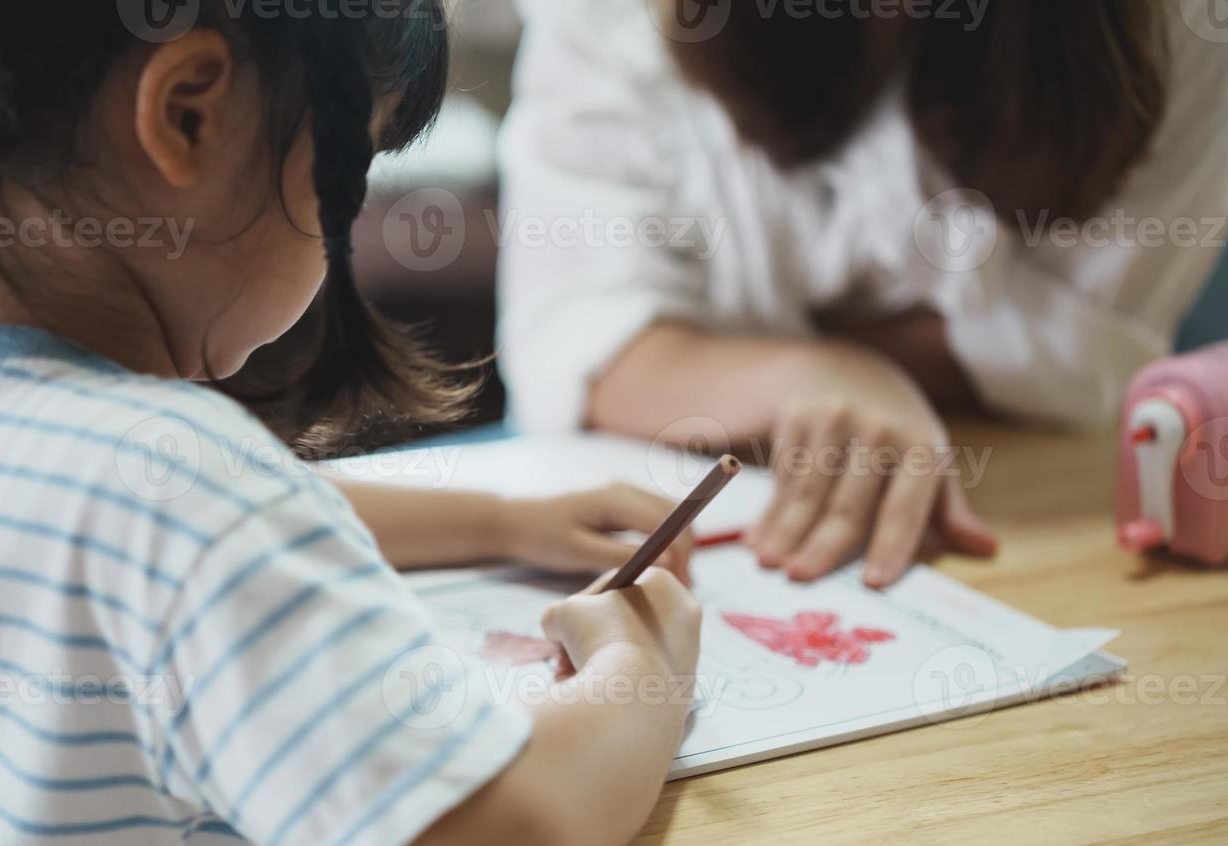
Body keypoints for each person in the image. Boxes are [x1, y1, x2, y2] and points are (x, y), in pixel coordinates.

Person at [0, 3, 701, 846]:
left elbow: (185, 540)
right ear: (188, 114)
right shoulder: (182, 486)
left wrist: (504, 519)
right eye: (350, 171)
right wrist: (647, 667)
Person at [498, 0, 1228, 588]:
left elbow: (1082, 356)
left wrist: (716, 359)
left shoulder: (1181, 28)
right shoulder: (615, 17)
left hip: (1034, 508)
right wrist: (824, 373)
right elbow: (579, 345)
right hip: (684, 500)